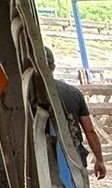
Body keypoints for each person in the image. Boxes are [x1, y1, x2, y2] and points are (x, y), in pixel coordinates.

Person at [45, 49, 106, 179]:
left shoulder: (26, 95)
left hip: (44, 162)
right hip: (73, 156)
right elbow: (89, 130)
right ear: (53, 67)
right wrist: (99, 160)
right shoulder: (72, 93)